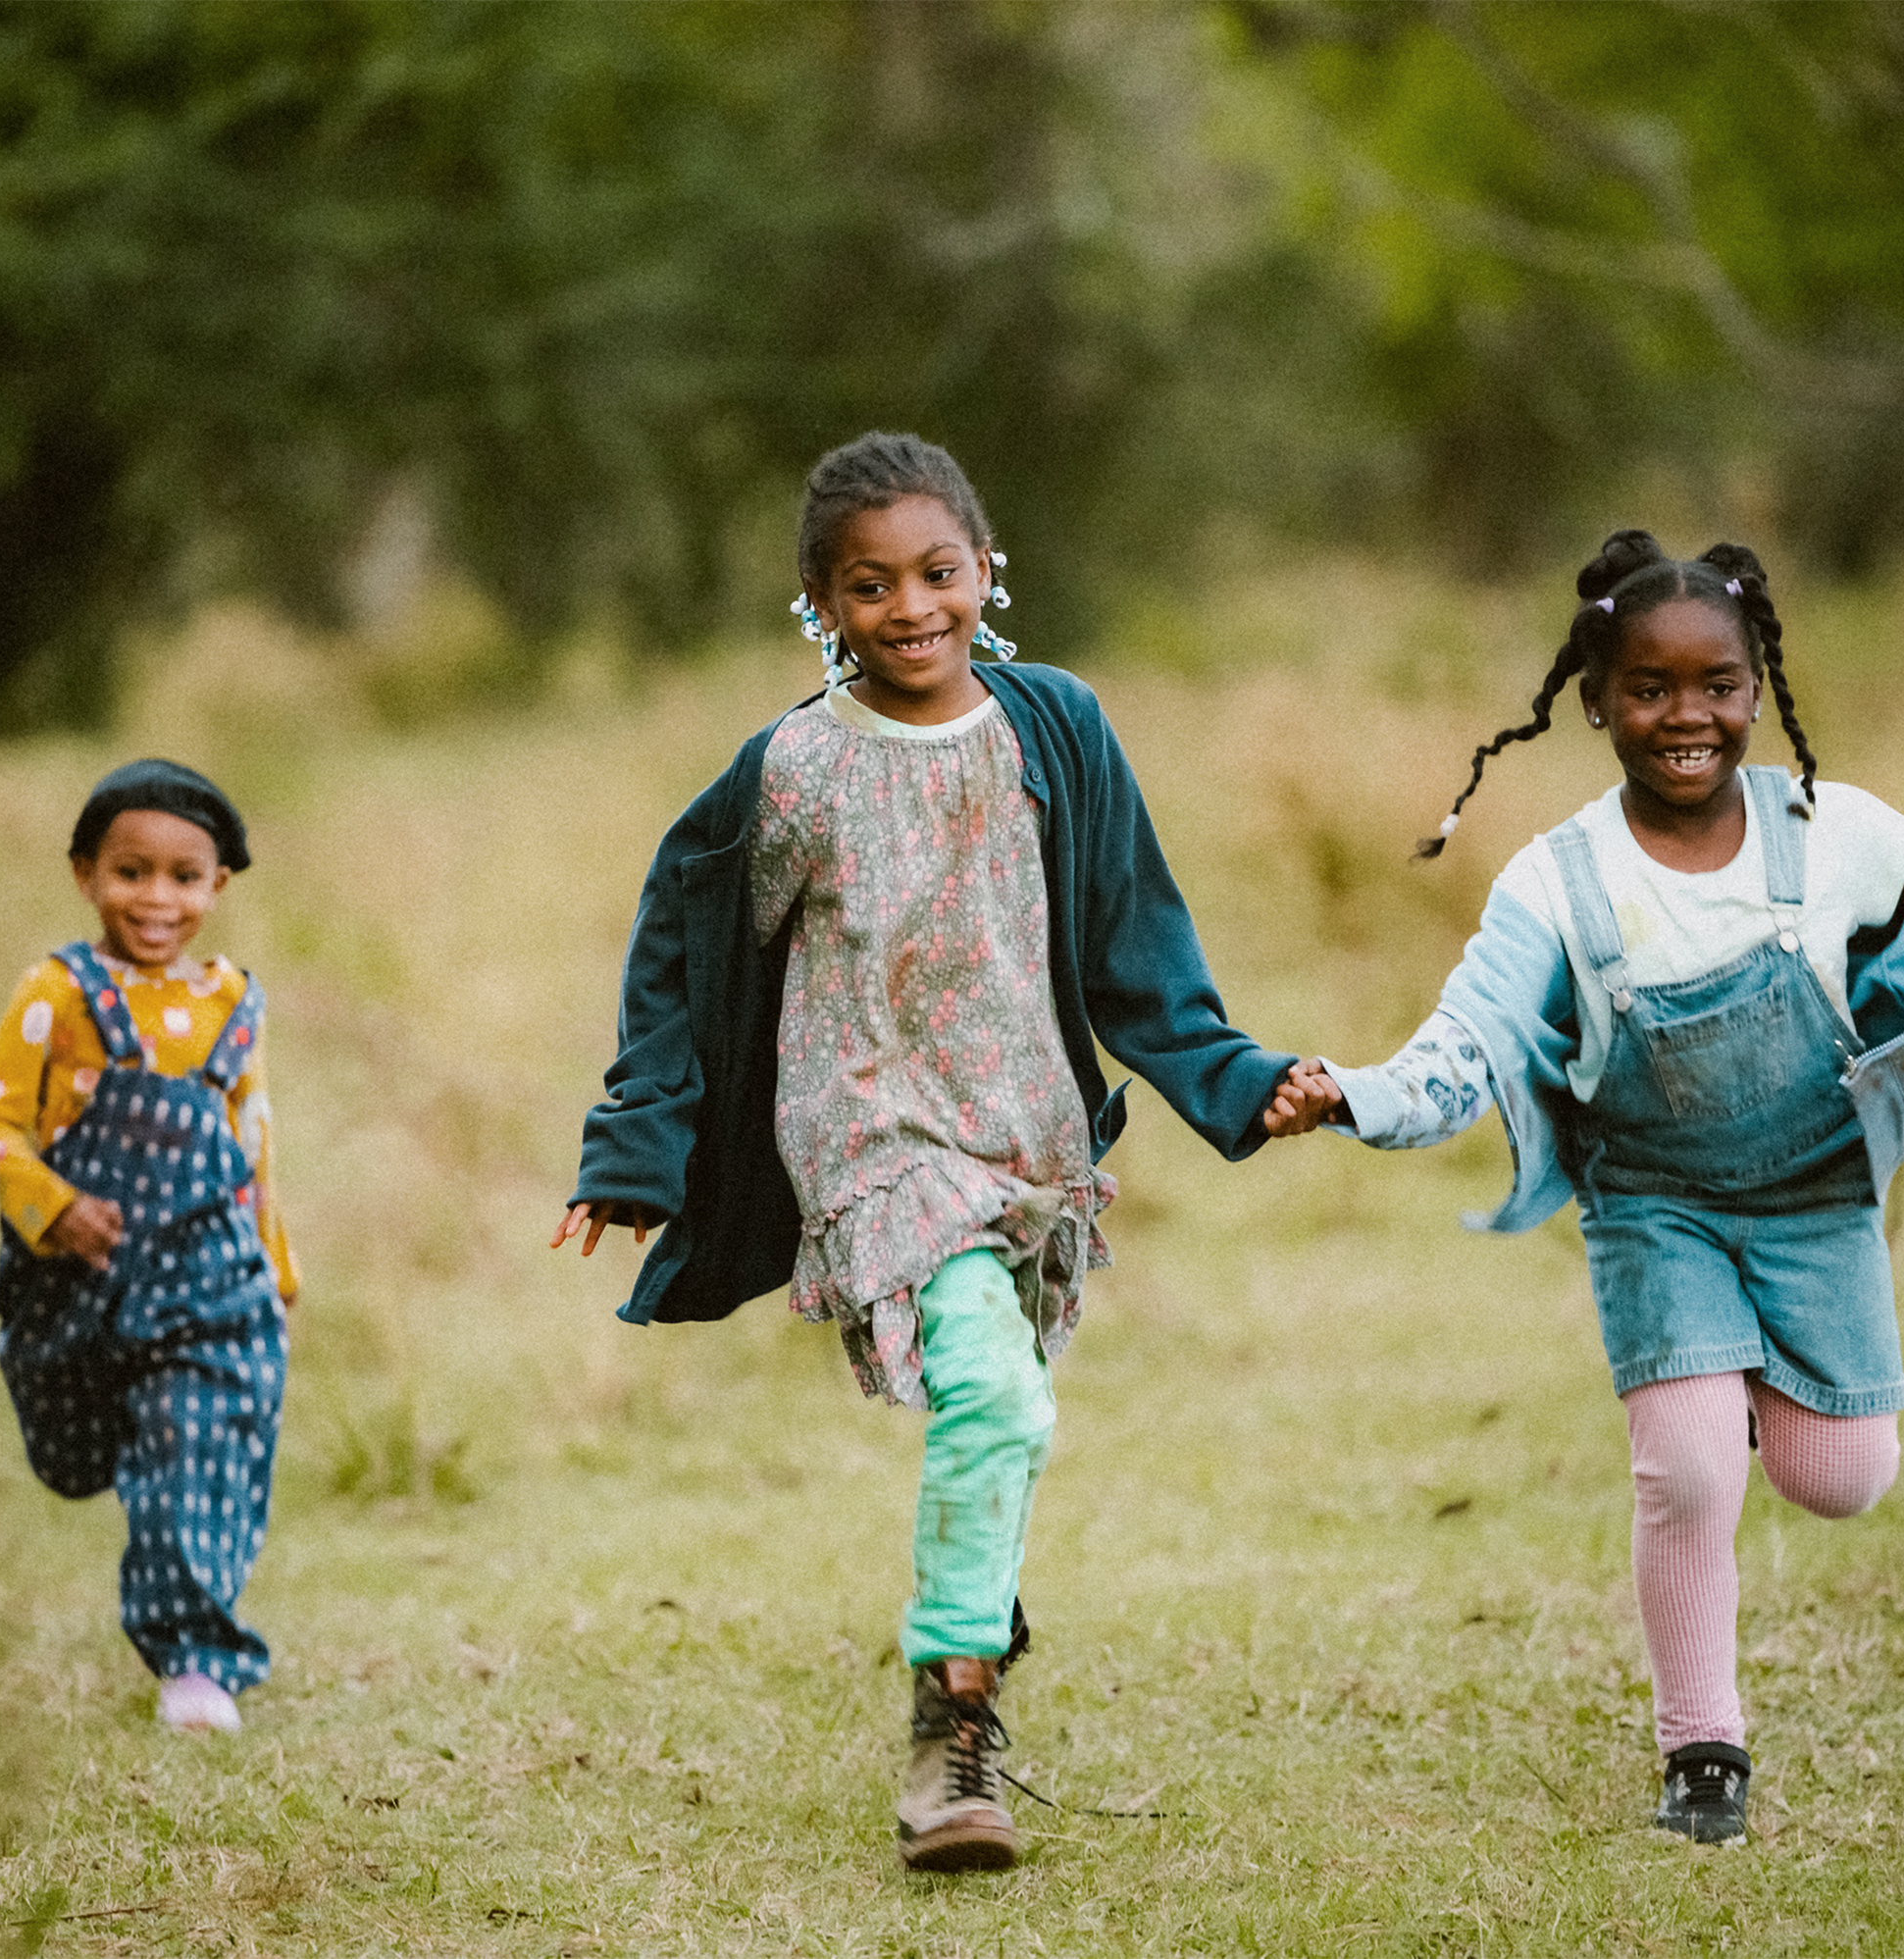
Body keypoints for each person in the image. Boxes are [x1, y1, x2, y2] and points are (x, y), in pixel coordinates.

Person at [1308, 531, 1904, 1843]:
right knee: (1694, 1475)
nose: (1686, 716)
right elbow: (1465, 1043)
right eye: (1648, 688)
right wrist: (1357, 1094)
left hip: (1818, 1195)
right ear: (1595, 698)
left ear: (1756, 687)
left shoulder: (1836, 834)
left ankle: (1740, 1394)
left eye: (1717, 683)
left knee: (1842, 1474)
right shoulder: (1557, 879)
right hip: (1654, 1206)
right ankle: (1702, 1748)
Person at [555, 433, 1332, 1872]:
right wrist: (638, 1142)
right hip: (869, 1140)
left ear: (987, 569)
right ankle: (951, 1725)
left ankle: (973, 1621)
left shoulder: (1058, 729)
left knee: (1006, 1403)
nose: (911, 606)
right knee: (1005, 1406)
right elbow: (684, 937)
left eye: (937, 571)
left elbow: (1134, 941)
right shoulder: (792, 769)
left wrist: (1240, 1081)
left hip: (1028, 1137)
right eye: (870, 585)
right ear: (819, 601)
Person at [0, 758, 299, 1735]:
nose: (156, 897)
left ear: (216, 886)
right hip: (80, 1283)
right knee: (76, 1455)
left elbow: (253, 1143)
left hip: (210, 1279)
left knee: (194, 1443)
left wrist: (274, 1270)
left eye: (183, 877)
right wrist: (51, 1204)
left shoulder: (236, 1000)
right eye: (131, 871)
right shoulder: (55, 993)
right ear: (85, 873)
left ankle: (195, 1663)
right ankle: (128, 1461)